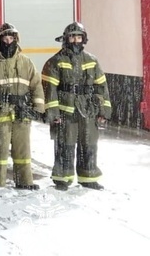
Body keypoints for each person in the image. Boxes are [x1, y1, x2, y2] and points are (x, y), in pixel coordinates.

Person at [42, 22, 112, 191]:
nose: (75, 40)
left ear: (83, 39)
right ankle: (62, 178)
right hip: (66, 111)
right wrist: (54, 113)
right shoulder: (55, 61)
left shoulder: (92, 60)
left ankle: (88, 178)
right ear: (66, 39)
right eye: (72, 36)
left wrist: (103, 111)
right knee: (65, 144)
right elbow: (49, 90)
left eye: (79, 37)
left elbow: (101, 87)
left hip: (88, 111)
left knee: (88, 144)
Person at [0, 23, 45, 193]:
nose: (8, 41)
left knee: (22, 149)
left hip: (22, 112)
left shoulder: (26, 62)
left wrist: (38, 107)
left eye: (11, 37)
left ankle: (24, 181)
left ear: (16, 39)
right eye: (5, 38)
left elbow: (36, 85)